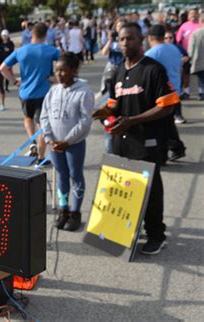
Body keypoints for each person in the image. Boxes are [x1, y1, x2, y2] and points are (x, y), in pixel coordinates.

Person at [93, 22, 179, 255]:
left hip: (148, 142)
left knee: (150, 190)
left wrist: (133, 120)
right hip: (123, 141)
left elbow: (167, 106)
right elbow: (113, 103)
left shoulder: (153, 70)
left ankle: (156, 235)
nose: (124, 43)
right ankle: (126, 230)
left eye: (130, 38)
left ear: (141, 40)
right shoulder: (120, 70)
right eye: (121, 39)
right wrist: (104, 114)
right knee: (126, 189)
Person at [40, 53, 94, 231]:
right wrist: (49, 139)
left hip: (74, 144)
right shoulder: (54, 90)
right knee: (61, 176)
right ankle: (63, 209)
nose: (59, 74)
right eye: (56, 70)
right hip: (55, 145)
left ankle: (75, 212)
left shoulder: (83, 91)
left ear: (73, 70)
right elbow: (44, 115)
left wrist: (67, 140)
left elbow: (85, 121)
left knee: (75, 175)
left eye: (63, 70)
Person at [0, 22, 60, 165]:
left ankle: (32, 141)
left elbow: (2, 68)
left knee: (28, 117)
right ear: (45, 35)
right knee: (42, 125)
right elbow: (67, 63)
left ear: (31, 34)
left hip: (26, 92)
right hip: (43, 93)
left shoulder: (21, 51)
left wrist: (14, 81)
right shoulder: (51, 50)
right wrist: (56, 78)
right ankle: (40, 157)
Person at [145, 24, 186, 162]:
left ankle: (167, 151)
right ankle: (176, 148)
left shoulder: (151, 54)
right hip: (175, 90)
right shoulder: (174, 48)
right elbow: (180, 68)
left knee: (160, 124)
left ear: (150, 38)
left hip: (160, 94)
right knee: (167, 122)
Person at [176, 9, 200, 99]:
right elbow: (178, 41)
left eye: (195, 13)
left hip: (199, 54)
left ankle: (201, 92)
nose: (193, 15)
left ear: (198, 15)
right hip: (186, 54)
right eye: (191, 13)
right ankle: (186, 91)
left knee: (199, 73)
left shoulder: (201, 25)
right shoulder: (184, 26)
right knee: (186, 74)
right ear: (188, 15)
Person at [164, 30, 190, 114]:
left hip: (177, 74)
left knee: (176, 94)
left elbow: (186, 56)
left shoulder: (178, 47)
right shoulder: (161, 48)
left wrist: (182, 59)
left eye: (170, 37)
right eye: (166, 38)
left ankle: (178, 114)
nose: (168, 39)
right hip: (165, 75)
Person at [188, 15, 204, 101]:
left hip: (198, 59)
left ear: (201, 21)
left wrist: (190, 58)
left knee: (201, 78)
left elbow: (191, 48)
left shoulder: (195, 33)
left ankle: (202, 93)